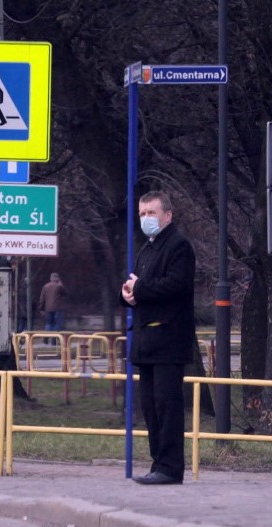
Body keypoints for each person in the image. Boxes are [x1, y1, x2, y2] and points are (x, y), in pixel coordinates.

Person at [120, 191, 195, 486]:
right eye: (141, 214)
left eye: (151, 213)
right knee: (151, 408)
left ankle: (170, 467)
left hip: (168, 339)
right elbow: (136, 283)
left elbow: (175, 285)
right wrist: (127, 293)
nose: (145, 219)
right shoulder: (147, 249)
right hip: (146, 341)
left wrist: (139, 289)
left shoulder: (179, 246)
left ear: (167, 215)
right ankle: (158, 464)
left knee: (167, 406)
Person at [38, 272, 66, 341]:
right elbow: (65, 293)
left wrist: (41, 308)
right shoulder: (59, 286)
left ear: (50, 278)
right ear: (57, 278)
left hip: (48, 308)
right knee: (57, 323)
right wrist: (61, 284)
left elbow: (42, 298)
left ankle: (46, 338)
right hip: (57, 308)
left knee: (49, 323)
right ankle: (54, 340)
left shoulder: (45, 286)